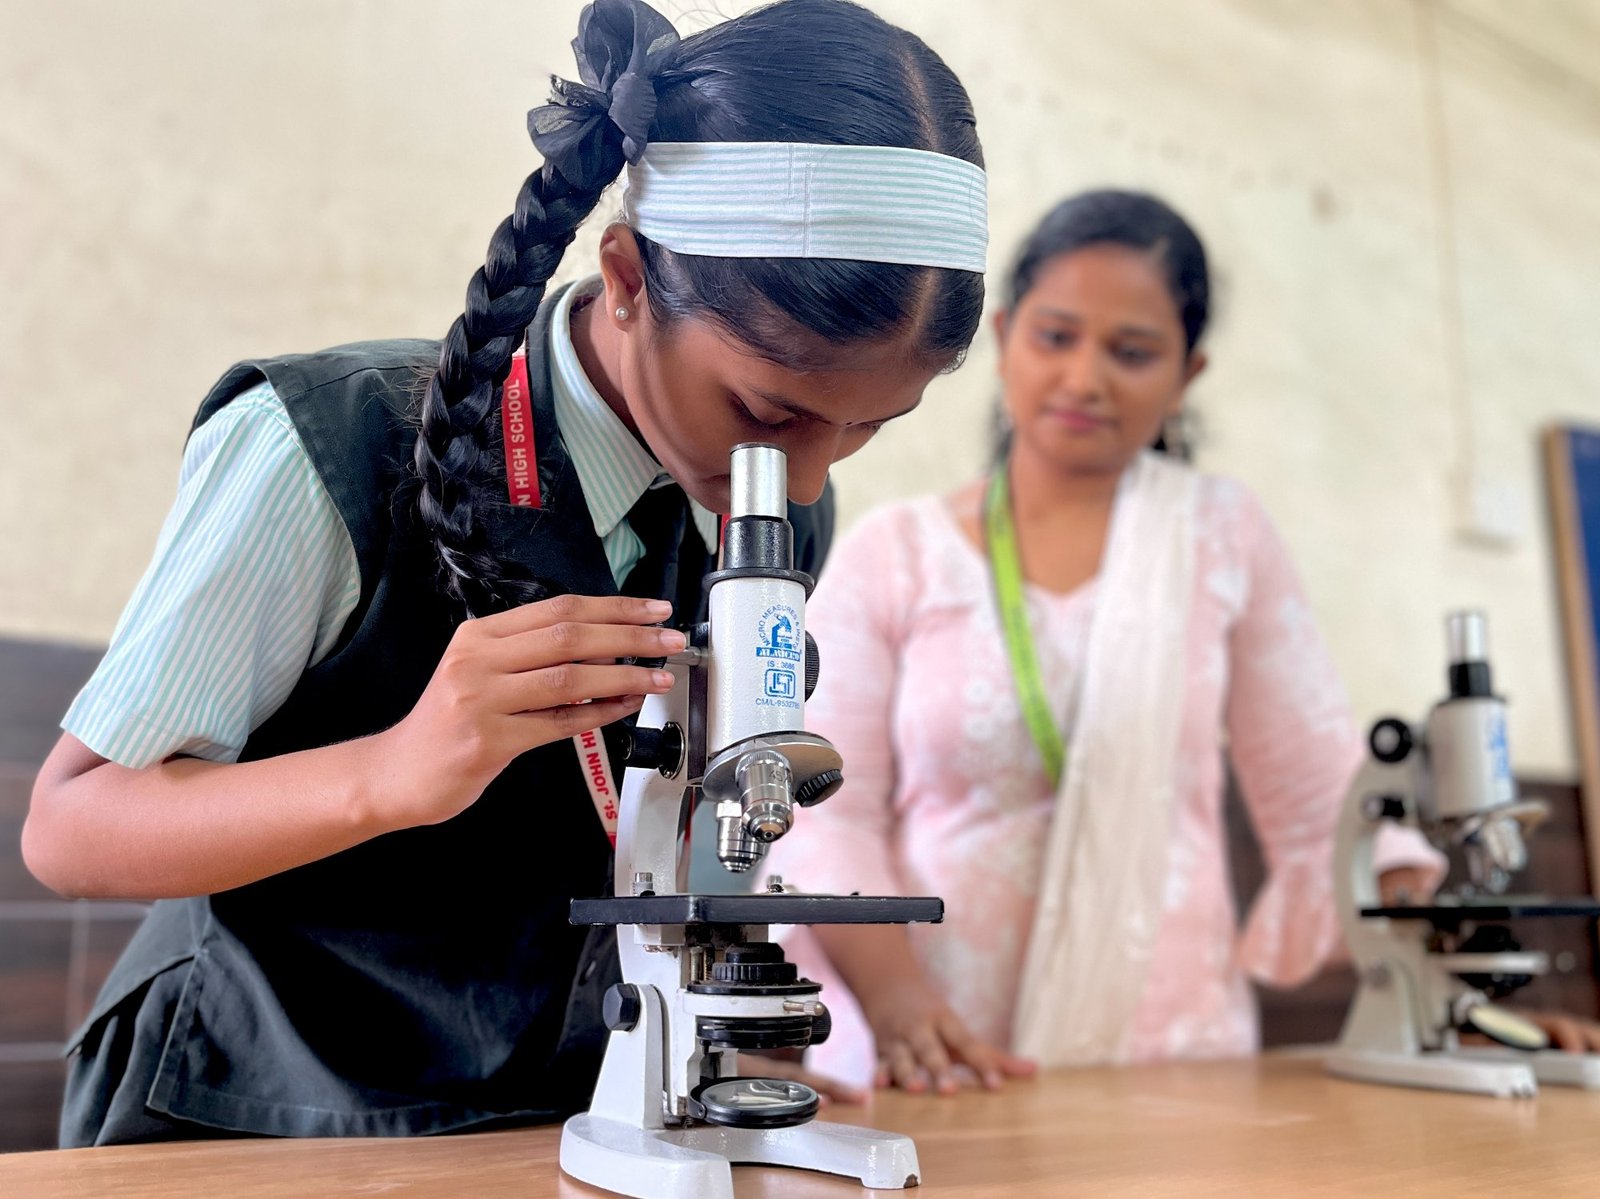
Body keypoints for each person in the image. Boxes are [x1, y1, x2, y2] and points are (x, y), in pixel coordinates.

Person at [21, 0, 987, 1144]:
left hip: (544, 1123)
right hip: (247, 1112)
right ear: (626, 277)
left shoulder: (774, 514)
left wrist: (715, 1028)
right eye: (768, 410)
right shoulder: (330, 444)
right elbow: (70, 827)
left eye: (870, 425)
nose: (811, 475)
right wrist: (392, 769)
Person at [760, 189, 1449, 1095]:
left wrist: (1455, 993)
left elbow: (1322, 798)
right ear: (1004, 336)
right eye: (1056, 336)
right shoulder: (895, 552)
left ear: (1187, 374)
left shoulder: (1220, 536)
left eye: (1131, 352)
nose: (1085, 378)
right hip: (931, 1068)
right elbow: (827, 810)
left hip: (1169, 1066)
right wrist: (899, 1005)